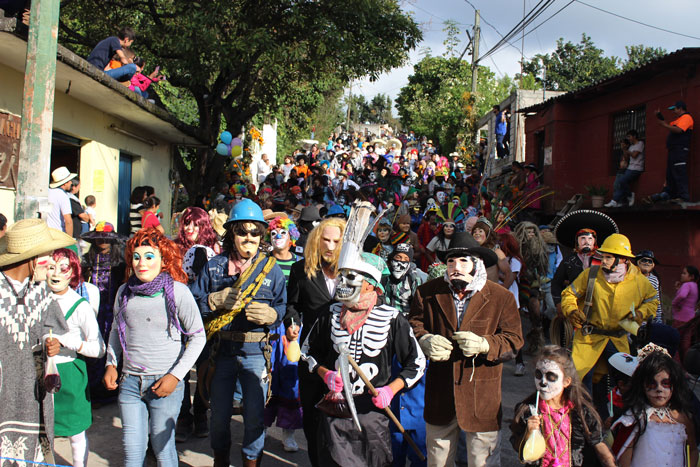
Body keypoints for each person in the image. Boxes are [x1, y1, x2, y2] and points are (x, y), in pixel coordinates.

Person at [306, 202, 426, 466]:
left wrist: (391, 390)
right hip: (334, 412)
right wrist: (325, 373)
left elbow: (416, 363)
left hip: (374, 414)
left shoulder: (392, 318)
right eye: (342, 276)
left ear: (371, 284)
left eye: (352, 278)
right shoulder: (329, 313)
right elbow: (308, 353)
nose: (343, 283)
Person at [409, 232, 523, 466]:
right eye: (451, 261)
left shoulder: (501, 297)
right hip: (440, 393)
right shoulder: (428, 292)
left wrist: (485, 344)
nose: (455, 267)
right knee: (438, 460)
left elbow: (514, 340)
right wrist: (424, 340)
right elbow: (414, 325)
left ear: (477, 264)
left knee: (483, 461)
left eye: (463, 260)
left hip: (482, 397)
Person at [190, 199, 287, 466]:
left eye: (255, 232)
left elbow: (282, 307)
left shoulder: (271, 269)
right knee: (218, 417)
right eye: (242, 231)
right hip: (220, 353)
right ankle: (220, 459)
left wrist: (273, 316)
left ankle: (251, 461)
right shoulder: (213, 267)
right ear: (231, 233)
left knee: (255, 417)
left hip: (256, 352)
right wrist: (212, 300)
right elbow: (190, 306)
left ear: (261, 235)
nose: (248, 237)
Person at [104, 228, 206, 466]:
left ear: (163, 260)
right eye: (136, 257)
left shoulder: (178, 292)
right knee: (132, 451)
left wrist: (175, 377)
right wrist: (111, 363)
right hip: (130, 382)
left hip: (165, 384)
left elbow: (198, 337)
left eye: (149, 256)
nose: (142, 263)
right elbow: (116, 332)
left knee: (163, 450)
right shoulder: (124, 292)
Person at [0, 219, 73, 465]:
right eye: (48, 255)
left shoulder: (41, 292)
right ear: (32, 258)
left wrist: (52, 345)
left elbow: (53, 331)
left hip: (33, 397)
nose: (52, 263)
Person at [560, 234, 658, 413]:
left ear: (623, 260)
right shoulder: (591, 275)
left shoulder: (638, 281)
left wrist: (642, 313)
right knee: (580, 380)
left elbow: (652, 300)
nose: (602, 260)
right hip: (589, 338)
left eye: (608, 257)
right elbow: (569, 294)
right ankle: (584, 418)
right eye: (603, 256)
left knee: (623, 381)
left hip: (618, 338)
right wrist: (572, 310)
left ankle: (617, 420)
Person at [282, 217, 346, 467]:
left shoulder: (354, 270)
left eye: (336, 241)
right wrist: (292, 323)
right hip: (311, 355)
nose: (330, 246)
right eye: (325, 240)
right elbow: (292, 305)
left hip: (346, 354)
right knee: (312, 416)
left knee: (344, 420)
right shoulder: (301, 270)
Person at [46, 248, 106, 467]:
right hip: (40, 373)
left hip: (70, 375)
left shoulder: (80, 306)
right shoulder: (37, 299)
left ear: (73, 272)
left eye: (63, 267)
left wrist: (67, 342)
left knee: (75, 432)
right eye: (51, 267)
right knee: (44, 431)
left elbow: (98, 348)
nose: (56, 273)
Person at [510, 345, 616, 466]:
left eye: (551, 377)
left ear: (566, 381)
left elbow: (598, 442)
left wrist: (610, 462)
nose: (543, 382)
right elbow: (522, 453)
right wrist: (529, 433)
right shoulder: (529, 410)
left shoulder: (580, 411)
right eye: (539, 375)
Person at [173, 207, 220, 441]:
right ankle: (183, 417)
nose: (190, 228)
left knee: (203, 368)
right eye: (186, 223)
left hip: (205, 319)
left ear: (204, 226)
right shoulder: (172, 249)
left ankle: (201, 414)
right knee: (179, 367)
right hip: (177, 317)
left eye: (196, 224)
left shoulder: (214, 251)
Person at [611, 344, 698, 467]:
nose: (659, 389)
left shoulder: (683, 418)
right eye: (652, 384)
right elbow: (623, 458)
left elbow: (693, 449)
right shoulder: (634, 419)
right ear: (642, 385)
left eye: (666, 383)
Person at [382, 243, 429, 466]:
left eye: (404, 259)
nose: (399, 263)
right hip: (386, 337)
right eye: (396, 258)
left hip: (411, 337)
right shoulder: (384, 279)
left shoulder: (418, 279)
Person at [263, 214, 302, 452]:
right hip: (268, 325)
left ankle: (288, 432)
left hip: (292, 326)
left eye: (282, 233)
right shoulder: (263, 262)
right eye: (274, 233)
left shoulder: (300, 263)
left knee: (290, 377)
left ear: (292, 238)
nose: (278, 237)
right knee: (266, 376)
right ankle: (262, 426)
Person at [80, 221, 127, 404]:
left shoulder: (120, 262)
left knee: (112, 345)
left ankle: (110, 388)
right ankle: (92, 388)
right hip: (91, 311)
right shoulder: (86, 261)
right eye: (99, 238)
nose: (103, 241)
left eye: (106, 238)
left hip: (112, 311)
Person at [644, 100, 694, 204]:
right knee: (671, 174)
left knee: (680, 172)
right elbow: (670, 125)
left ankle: (683, 197)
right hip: (673, 150)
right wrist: (660, 116)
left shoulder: (686, 118)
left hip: (680, 149)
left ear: (680, 108)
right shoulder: (678, 119)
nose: (674, 111)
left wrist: (664, 125)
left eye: (675, 109)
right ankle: (668, 195)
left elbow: (679, 130)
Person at [605, 130, 644, 208]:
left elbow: (634, 155)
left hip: (637, 168)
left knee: (622, 180)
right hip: (630, 168)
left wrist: (627, 150)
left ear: (634, 136)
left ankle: (629, 195)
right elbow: (626, 158)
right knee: (620, 183)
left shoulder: (640, 144)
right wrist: (624, 149)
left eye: (629, 136)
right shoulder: (631, 146)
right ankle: (615, 201)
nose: (628, 138)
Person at [633, 250, 663, 323]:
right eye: (644, 260)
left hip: (648, 319)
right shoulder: (631, 277)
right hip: (632, 317)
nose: (647, 263)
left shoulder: (654, 279)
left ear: (653, 265)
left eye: (650, 261)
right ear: (638, 262)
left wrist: (658, 319)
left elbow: (657, 301)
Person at [47, 166, 76, 235]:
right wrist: (69, 240)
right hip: (59, 233)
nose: (71, 183)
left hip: (47, 233)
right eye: (69, 181)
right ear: (65, 183)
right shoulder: (63, 196)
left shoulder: (48, 192)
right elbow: (68, 221)